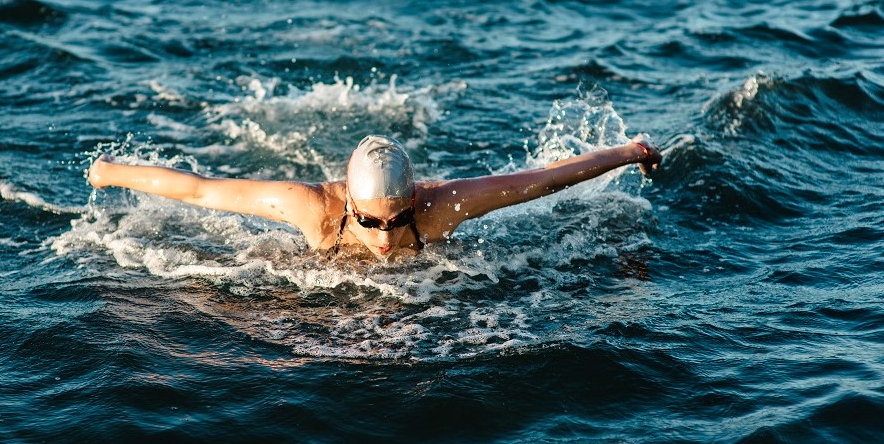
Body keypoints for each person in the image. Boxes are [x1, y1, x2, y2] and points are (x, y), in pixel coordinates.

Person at [87, 135, 661, 259]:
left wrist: (629, 152)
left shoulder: (442, 207)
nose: (386, 239)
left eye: (397, 222)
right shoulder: (312, 209)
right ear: (349, 207)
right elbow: (201, 190)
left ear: (415, 201)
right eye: (371, 223)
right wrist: (112, 173)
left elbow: (542, 178)